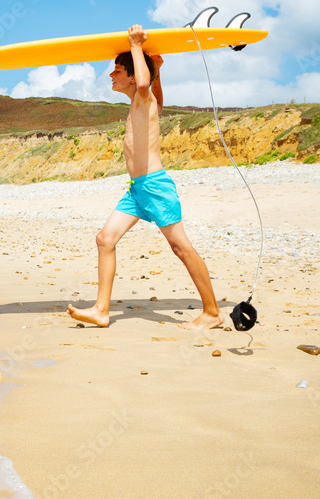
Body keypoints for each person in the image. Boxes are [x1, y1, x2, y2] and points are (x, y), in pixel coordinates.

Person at [67, 25, 224, 331]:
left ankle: (213, 312)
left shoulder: (142, 96)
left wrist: (137, 46)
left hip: (155, 186)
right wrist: (158, 71)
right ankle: (101, 310)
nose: (111, 76)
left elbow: (143, 85)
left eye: (116, 71)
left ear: (130, 75)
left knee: (181, 248)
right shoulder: (143, 104)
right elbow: (156, 99)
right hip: (137, 190)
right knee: (105, 239)